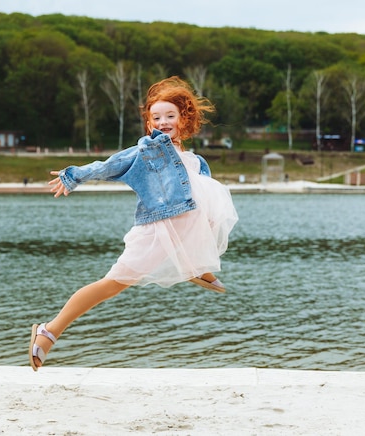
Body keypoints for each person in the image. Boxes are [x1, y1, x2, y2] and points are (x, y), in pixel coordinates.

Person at [29, 76, 238, 371]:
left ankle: (196, 266)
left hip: (179, 229)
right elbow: (108, 165)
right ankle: (49, 331)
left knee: (214, 206)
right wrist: (72, 176)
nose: (163, 122)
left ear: (183, 119)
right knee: (113, 285)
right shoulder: (146, 151)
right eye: (156, 118)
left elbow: (204, 199)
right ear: (149, 124)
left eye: (170, 116)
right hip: (154, 231)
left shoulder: (194, 160)